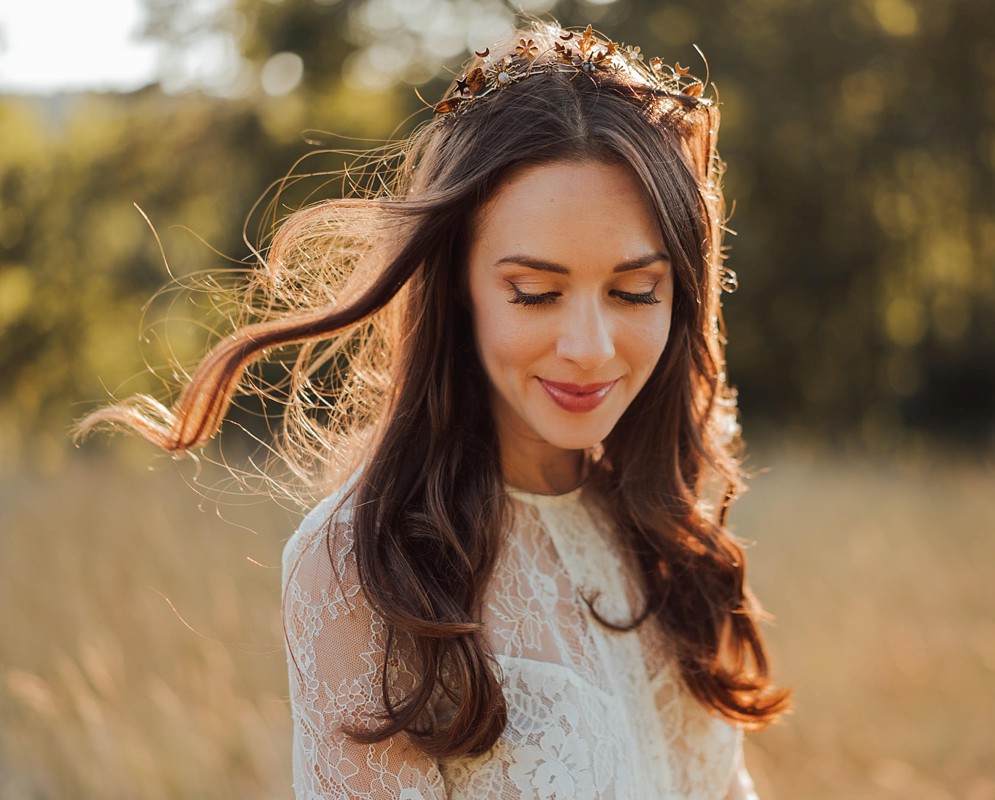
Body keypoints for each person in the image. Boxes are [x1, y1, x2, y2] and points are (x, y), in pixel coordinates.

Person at [78, 19, 789, 799]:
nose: (589, 346)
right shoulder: (360, 568)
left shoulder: (669, 528)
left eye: (633, 292)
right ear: (459, 288)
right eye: (536, 293)